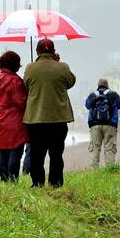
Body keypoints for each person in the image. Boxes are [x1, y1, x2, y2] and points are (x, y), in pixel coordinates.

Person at [22, 37, 76, 188]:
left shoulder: (30, 68)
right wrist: (58, 64)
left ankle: (37, 182)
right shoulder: (63, 67)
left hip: (36, 120)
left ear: (37, 51)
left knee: (36, 155)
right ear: (53, 51)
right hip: (58, 119)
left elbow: (26, 85)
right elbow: (71, 82)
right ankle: (55, 182)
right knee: (56, 154)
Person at [0, 50, 28, 181]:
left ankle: (3, 179)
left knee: (3, 153)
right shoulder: (16, 81)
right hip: (14, 121)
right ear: (14, 64)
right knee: (16, 153)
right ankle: (12, 180)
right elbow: (21, 102)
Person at [85, 78, 120, 168]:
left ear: (98, 86)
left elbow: (87, 105)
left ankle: (93, 171)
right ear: (107, 85)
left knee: (95, 148)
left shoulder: (93, 95)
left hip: (95, 125)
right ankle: (110, 170)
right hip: (110, 125)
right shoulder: (113, 94)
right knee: (109, 148)